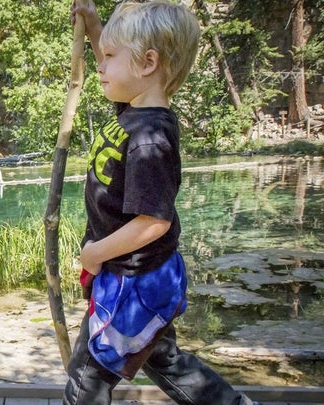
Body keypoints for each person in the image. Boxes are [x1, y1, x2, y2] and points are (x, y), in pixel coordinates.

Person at [65, 1, 257, 404]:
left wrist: (95, 254)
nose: (101, 65)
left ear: (148, 63)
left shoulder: (150, 138)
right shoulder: (136, 107)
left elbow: (154, 221)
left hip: (132, 281)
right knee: (163, 358)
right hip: (145, 275)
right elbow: (119, 71)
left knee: (87, 377)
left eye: (110, 57)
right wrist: (99, 28)